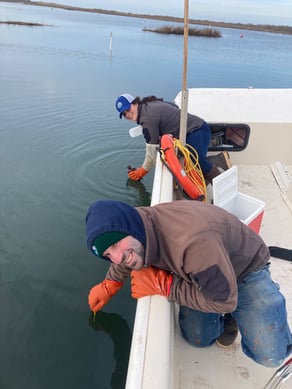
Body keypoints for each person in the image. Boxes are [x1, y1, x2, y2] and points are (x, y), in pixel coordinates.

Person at [85, 199, 292, 368]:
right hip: (206, 269)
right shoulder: (136, 224)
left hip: (245, 267)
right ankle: (221, 288)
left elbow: (224, 303)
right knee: (198, 339)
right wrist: (110, 283)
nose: (117, 257)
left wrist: (166, 286)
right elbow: (124, 254)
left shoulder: (192, 242)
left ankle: (241, 312)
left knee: (270, 354)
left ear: (130, 227)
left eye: (115, 245)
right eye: (107, 254)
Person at [115, 93, 221, 182]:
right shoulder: (149, 104)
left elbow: (151, 155)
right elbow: (174, 107)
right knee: (187, 161)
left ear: (135, 103)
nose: (128, 114)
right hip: (194, 129)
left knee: (197, 162)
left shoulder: (147, 120)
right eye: (124, 114)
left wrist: (142, 171)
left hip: (197, 130)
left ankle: (219, 181)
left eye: (128, 109)